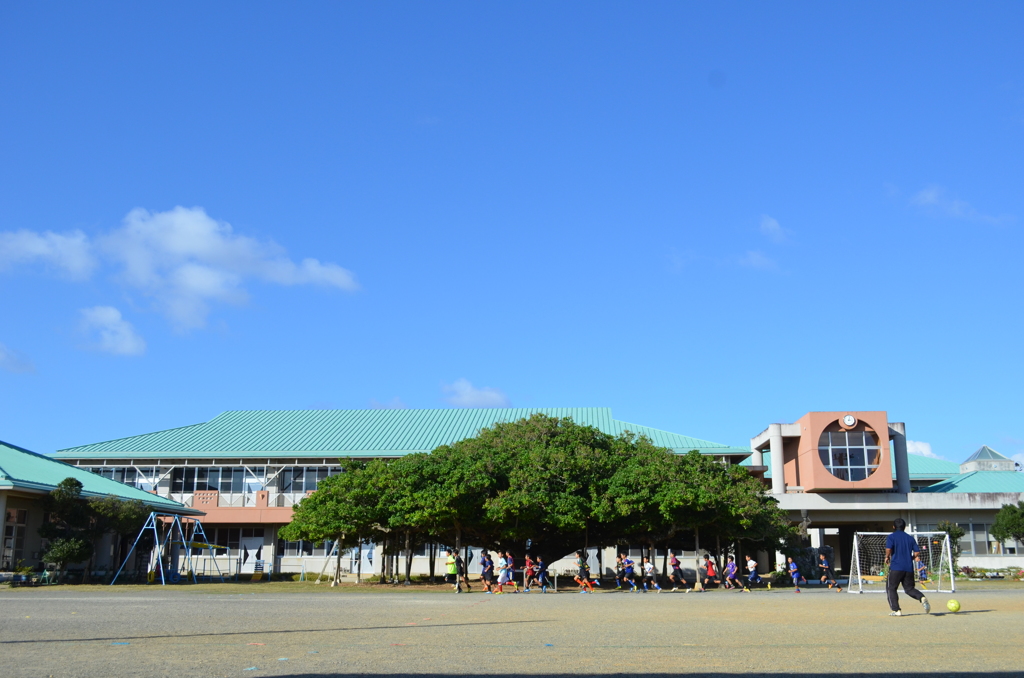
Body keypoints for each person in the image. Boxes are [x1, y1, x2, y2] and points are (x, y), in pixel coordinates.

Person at [885, 518, 930, 616]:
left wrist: (887, 557)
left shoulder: (891, 537)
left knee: (891, 588)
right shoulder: (910, 538)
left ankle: (896, 610)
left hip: (896, 567)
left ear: (893, 527)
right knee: (909, 589)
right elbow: (917, 552)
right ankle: (921, 597)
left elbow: (888, 549)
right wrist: (911, 558)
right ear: (904, 527)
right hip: (908, 568)